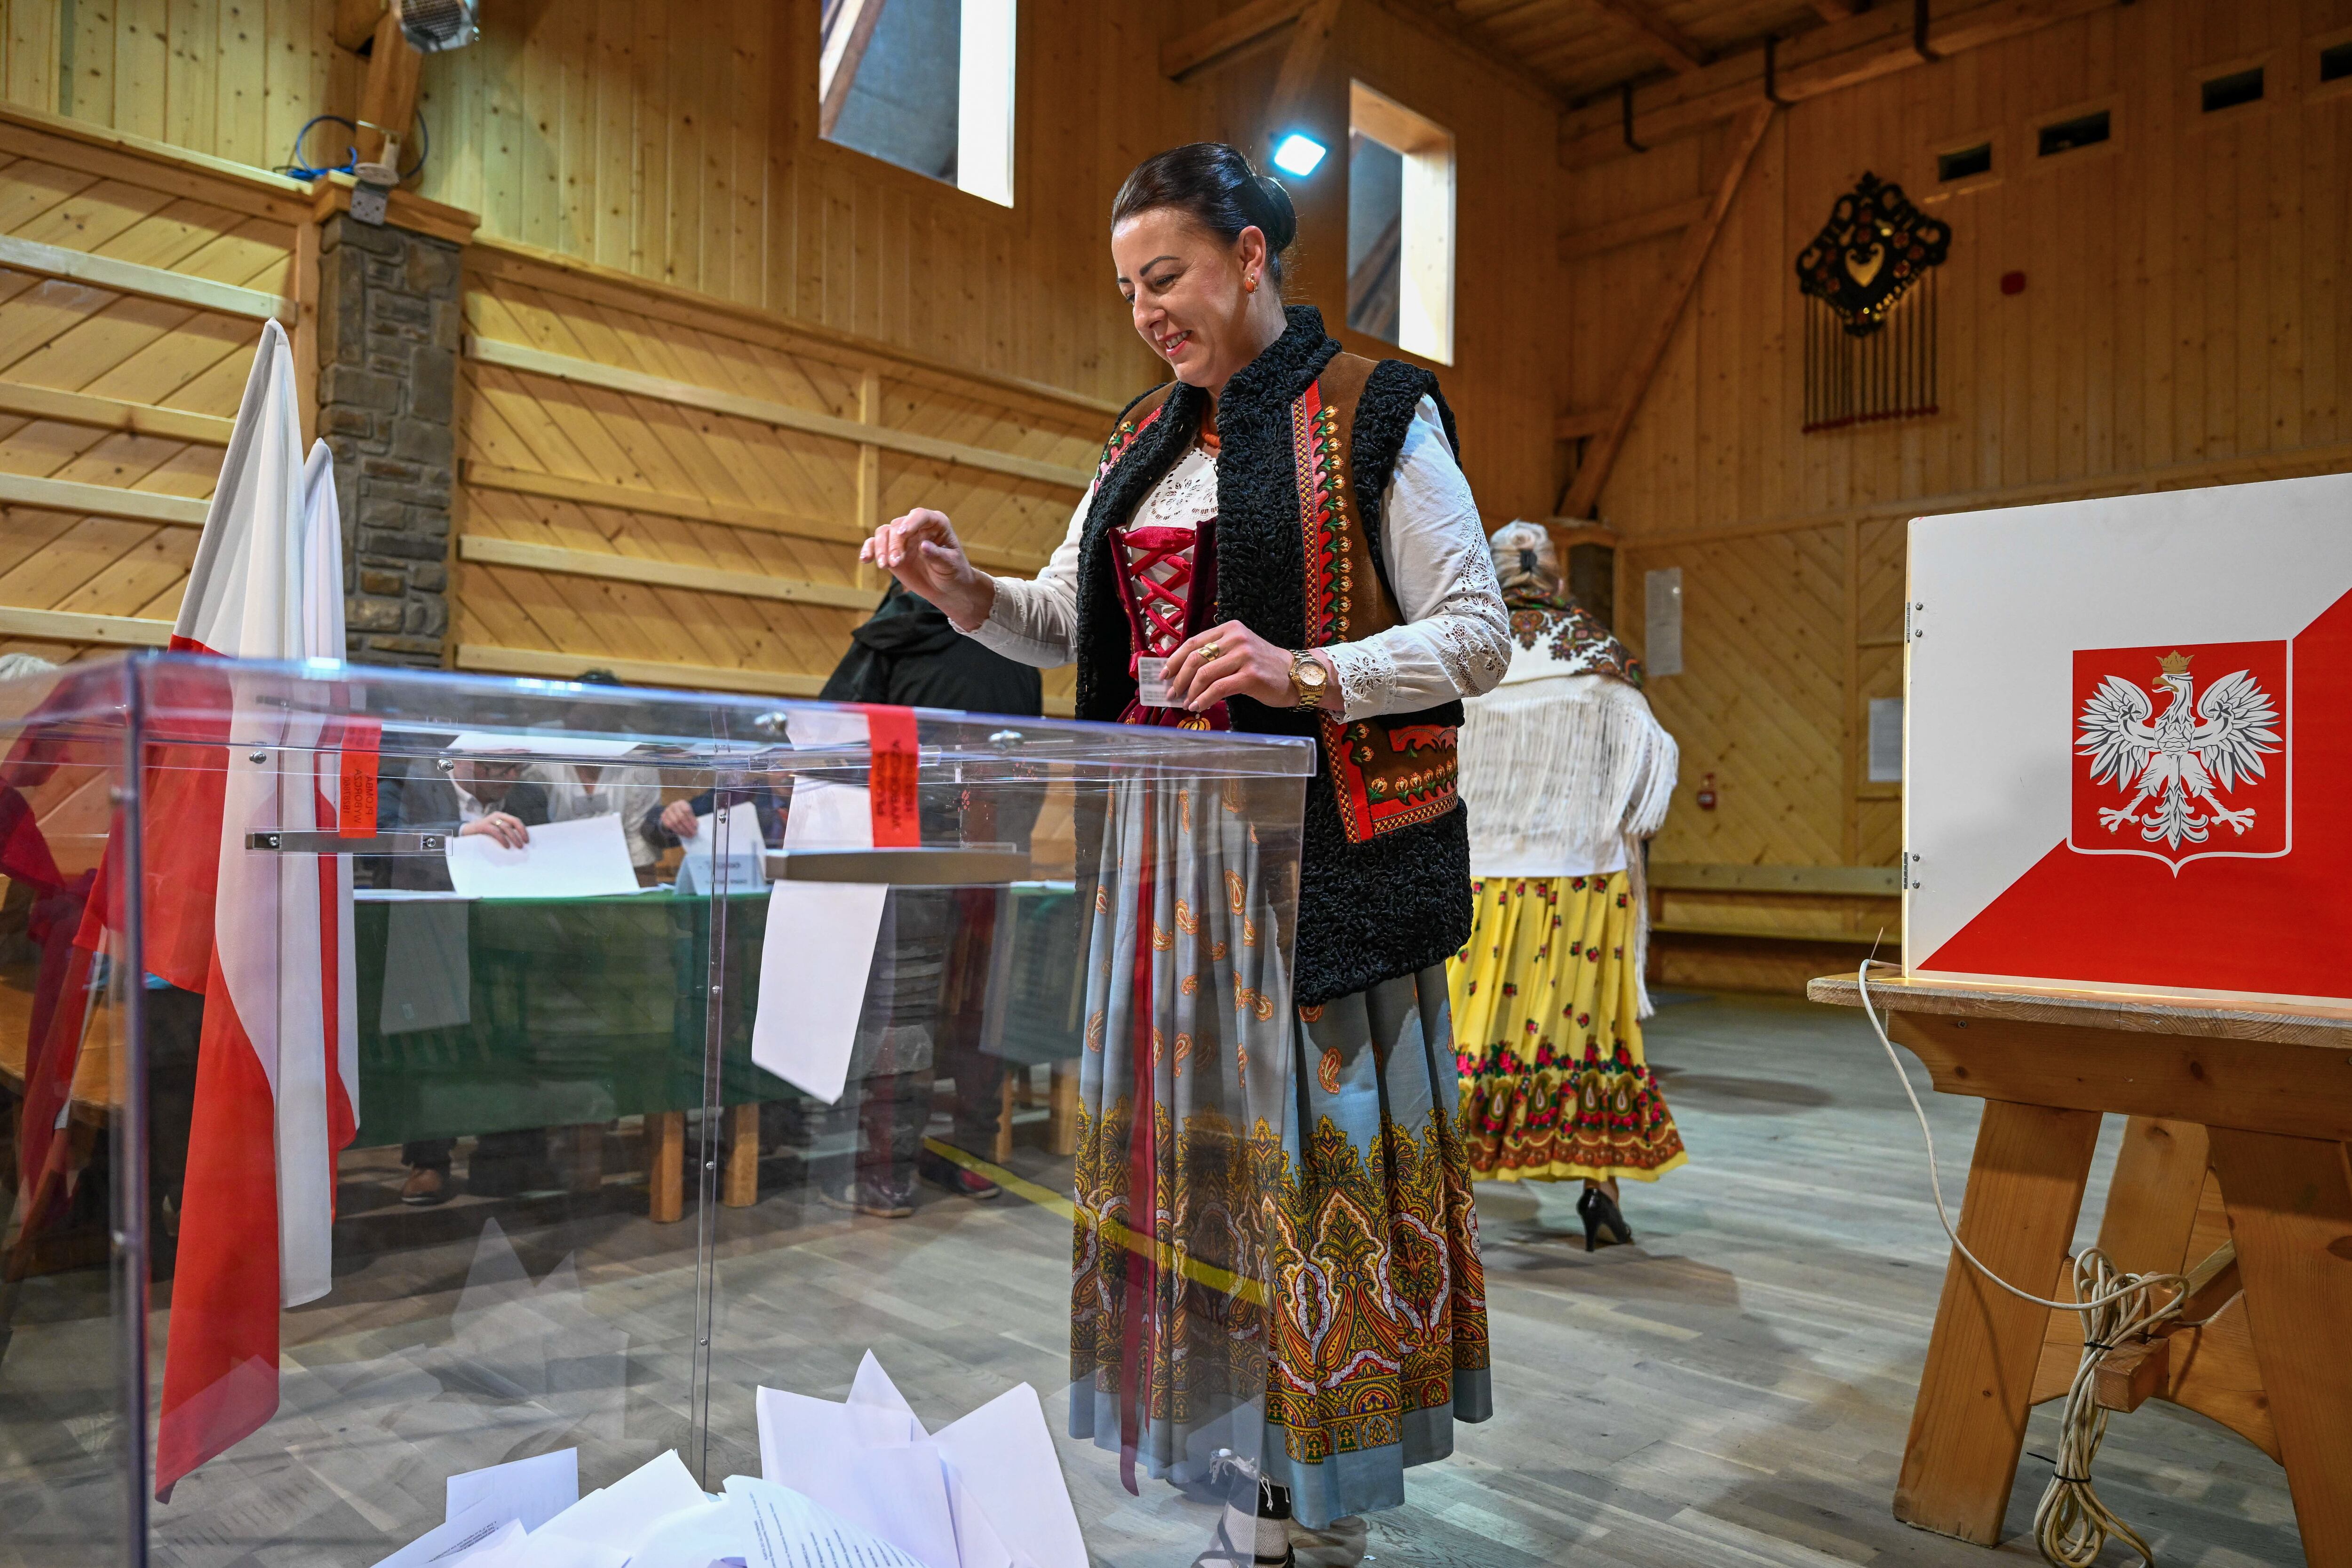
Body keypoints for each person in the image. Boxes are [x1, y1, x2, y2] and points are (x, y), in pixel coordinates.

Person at [859, 143, 1504, 1566]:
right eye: (1127, 289)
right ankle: (1235, 1486)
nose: (1147, 310)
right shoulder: (1137, 443)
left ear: (1251, 257)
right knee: (1196, 1182)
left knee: (1301, 1176)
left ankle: (1310, 1512)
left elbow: (1476, 631)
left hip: (1309, 870)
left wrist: (1305, 668)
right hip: (1161, 872)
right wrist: (965, 590)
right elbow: (1067, 624)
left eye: (1167, 276)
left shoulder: (1372, 409)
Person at [1446, 522, 1685, 1250]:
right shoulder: (1594, 651)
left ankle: (1450, 1191)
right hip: (1582, 876)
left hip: (1482, 876)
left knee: (1470, 1031)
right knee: (1589, 1035)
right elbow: (1653, 763)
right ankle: (1599, 1190)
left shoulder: (1468, 654)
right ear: (1553, 576)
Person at [818, 582, 1048, 1211]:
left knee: (902, 1014)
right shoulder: (1017, 649)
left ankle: (885, 1174)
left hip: (907, 860)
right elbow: (1032, 762)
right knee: (977, 1016)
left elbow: (826, 745)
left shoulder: (892, 641)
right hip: (993, 860)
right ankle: (969, 1157)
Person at [378, 748, 552, 1205]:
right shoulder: (409, 778)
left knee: (510, 1040)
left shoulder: (529, 795)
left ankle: (501, 1154)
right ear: (470, 763)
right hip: (427, 929)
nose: (514, 779)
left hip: (503, 932)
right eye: (504, 769)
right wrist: (459, 834)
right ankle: (429, 1160)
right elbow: (380, 836)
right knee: (430, 1046)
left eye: (519, 768)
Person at [529, 669, 665, 881]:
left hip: (618, 875)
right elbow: (528, 822)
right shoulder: (538, 745)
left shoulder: (640, 756)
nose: (590, 733)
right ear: (566, 715)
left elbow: (638, 838)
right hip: (545, 870)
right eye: (582, 721)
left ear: (618, 723)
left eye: (602, 724)